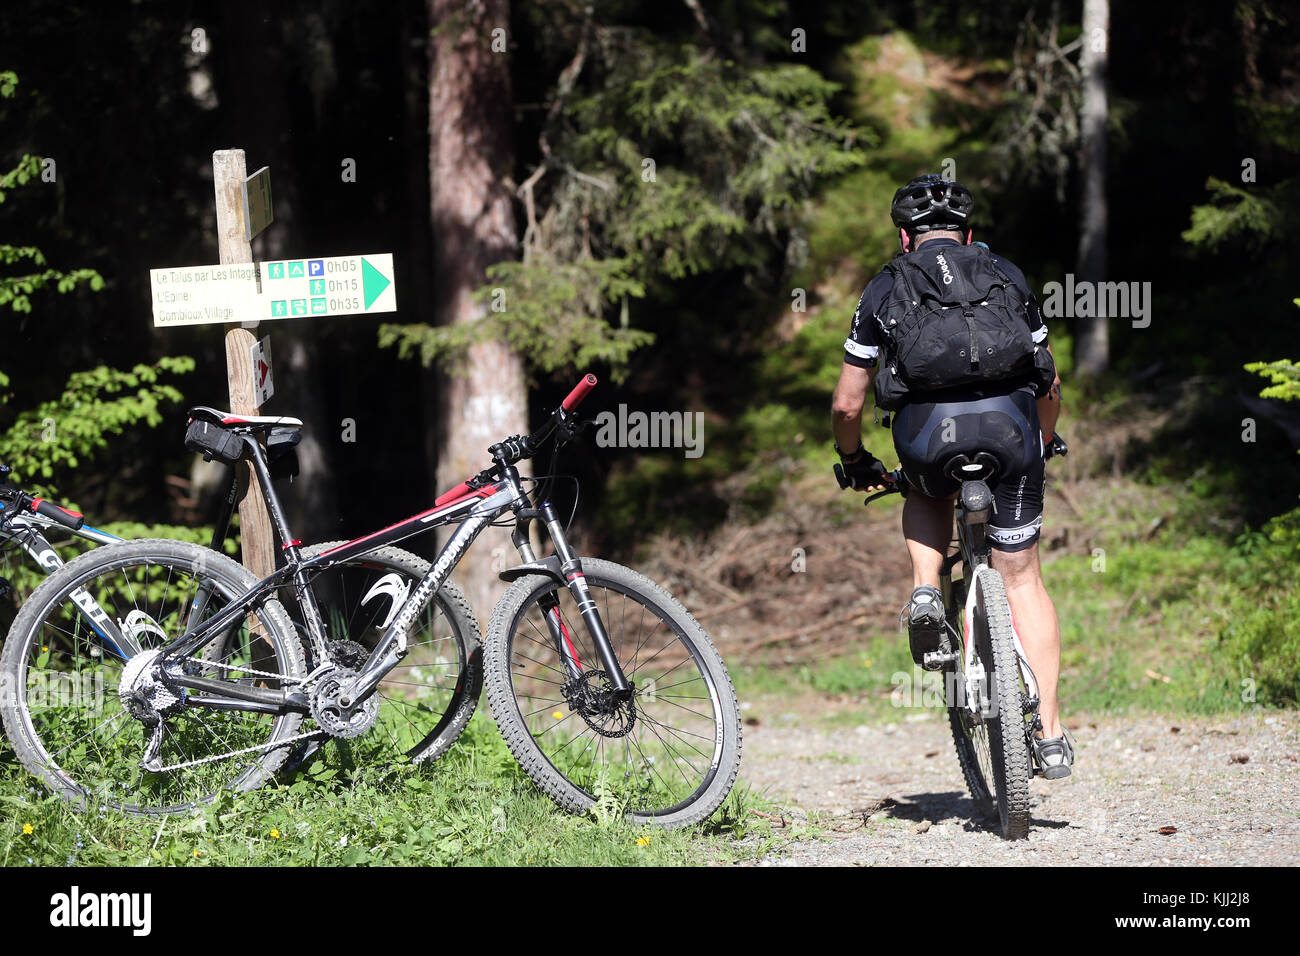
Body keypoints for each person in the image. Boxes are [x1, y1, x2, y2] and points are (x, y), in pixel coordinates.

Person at [829, 174, 1073, 778]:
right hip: (1012, 435)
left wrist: (856, 460)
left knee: (921, 485)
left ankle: (923, 589)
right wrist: (1043, 439)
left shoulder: (884, 285)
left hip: (926, 439)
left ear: (906, 237)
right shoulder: (1007, 274)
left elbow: (847, 404)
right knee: (1022, 580)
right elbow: (1050, 379)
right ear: (968, 233)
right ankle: (1049, 733)